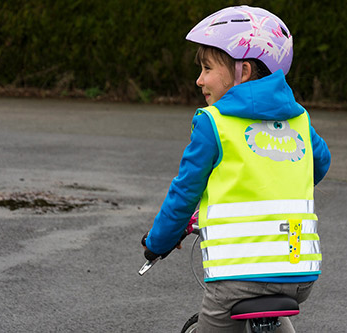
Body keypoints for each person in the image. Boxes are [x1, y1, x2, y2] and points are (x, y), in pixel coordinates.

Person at [142, 5, 331, 332]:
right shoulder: (298, 119)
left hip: (237, 277)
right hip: (299, 274)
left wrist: (157, 243)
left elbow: (184, 193)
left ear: (242, 71)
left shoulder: (213, 124)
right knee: (273, 309)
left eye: (207, 68)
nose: (199, 79)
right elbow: (320, 162)